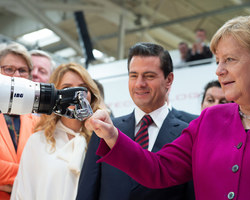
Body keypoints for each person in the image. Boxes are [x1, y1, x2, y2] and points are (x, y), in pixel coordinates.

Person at [84, 13, 250, 200]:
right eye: (217, 61)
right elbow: (159, 170)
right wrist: (112, 136)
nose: (219, 71)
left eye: (230, 60)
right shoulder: (209, 120)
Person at [76, 43, 195, 200]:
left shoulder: (188, 134)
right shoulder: (105, 130)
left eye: (149, 76)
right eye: (133, 75)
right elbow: (87, 191)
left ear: (169, 80)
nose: (139, 83)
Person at [10, 63, 102, 200]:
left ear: (91, 94)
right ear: (54, 96)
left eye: (83, 88)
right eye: (66, 88)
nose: (76, 95)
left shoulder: (102, 140)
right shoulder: (38, 142)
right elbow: (23, 193)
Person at [0, 42, 38, 200]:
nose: (16, 76)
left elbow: (44, 170)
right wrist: (28, 177)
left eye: (22, 70)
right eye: (9, 69)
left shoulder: (36, 122)